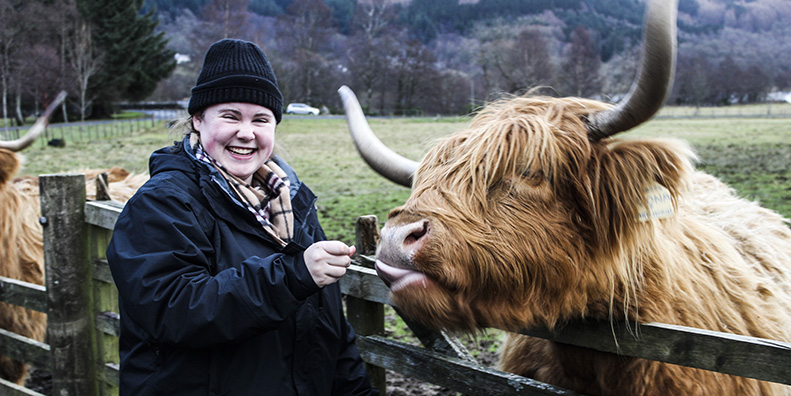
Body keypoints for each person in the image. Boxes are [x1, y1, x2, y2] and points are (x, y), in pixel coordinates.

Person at [106, 38, 378, 395]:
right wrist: (293, 276)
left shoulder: (293, 203)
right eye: (230, 116)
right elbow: (177, 311)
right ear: (198, 120)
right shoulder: (161, 203)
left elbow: (328, 330)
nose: (246, 133)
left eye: (261, 119)